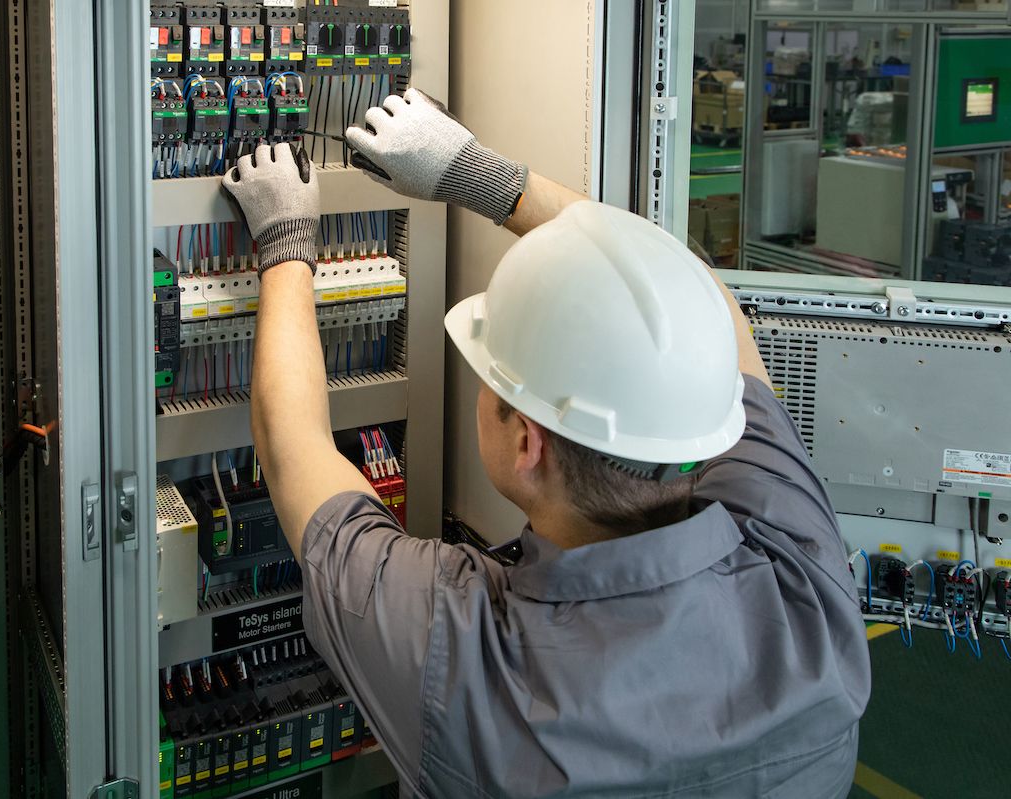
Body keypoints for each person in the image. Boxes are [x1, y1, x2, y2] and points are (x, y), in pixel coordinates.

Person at [223, 89, 870, 798]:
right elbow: (700, 307)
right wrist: (481, 177)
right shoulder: (803, 574)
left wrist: (286, 241)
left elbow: (292, 446)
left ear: (527, 440)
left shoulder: (461, 657)